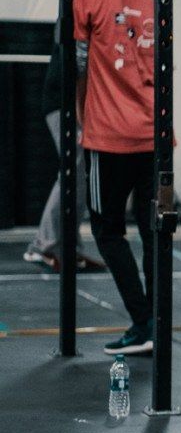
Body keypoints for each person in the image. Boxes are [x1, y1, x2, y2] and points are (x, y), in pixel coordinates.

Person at [75, 0, 159, 355]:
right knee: (152, 233)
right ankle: (154, 324)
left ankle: (145, 323)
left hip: (109, 137)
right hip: (154, 137)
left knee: (108, 232)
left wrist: (81, 122)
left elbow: (75, 66)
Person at [23, 38, 103, 273]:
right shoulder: (79, 7)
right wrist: (82, 118)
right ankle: (43, 246)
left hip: (76, 103)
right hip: (65, 104)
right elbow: (80, 65)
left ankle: (68, 249)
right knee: (74, 173)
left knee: (81, 177)